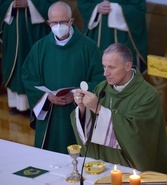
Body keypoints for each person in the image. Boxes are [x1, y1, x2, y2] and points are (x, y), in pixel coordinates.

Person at [71, 43, 167, 175]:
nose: (105, 73)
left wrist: (99, 109)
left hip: (131, 169)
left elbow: (138, 135)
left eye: (111, 67)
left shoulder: (148, 95)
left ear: (128, 66)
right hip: (102, 165)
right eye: (104, 66)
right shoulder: (102, 88)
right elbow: (89, 124)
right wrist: (83, 108)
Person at [22, 1, 105, 154]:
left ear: (71, 21)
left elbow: (101, 80)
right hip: (50, 114)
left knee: (78, 156)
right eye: (54, 22)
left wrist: (75, 93)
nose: (58, 26)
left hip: (79, 112)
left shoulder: (88, 47)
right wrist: (46, 96)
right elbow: (28, 77)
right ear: (48, 23)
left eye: (63, 22)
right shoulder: (40, 48)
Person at [0, 0, 57, 115]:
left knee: (35, 64)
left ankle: (36, 104)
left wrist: (30, 4)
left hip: (35, 29)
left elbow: (54, 5)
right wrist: (11, 5)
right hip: (12, 28)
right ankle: (16, 104)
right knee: (14, 65)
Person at [77, 0, 148, 73]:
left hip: (122, 35)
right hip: (96, 33)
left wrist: (115, 8)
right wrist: (96, 8)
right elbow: (83, 3)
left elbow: (139, 9)